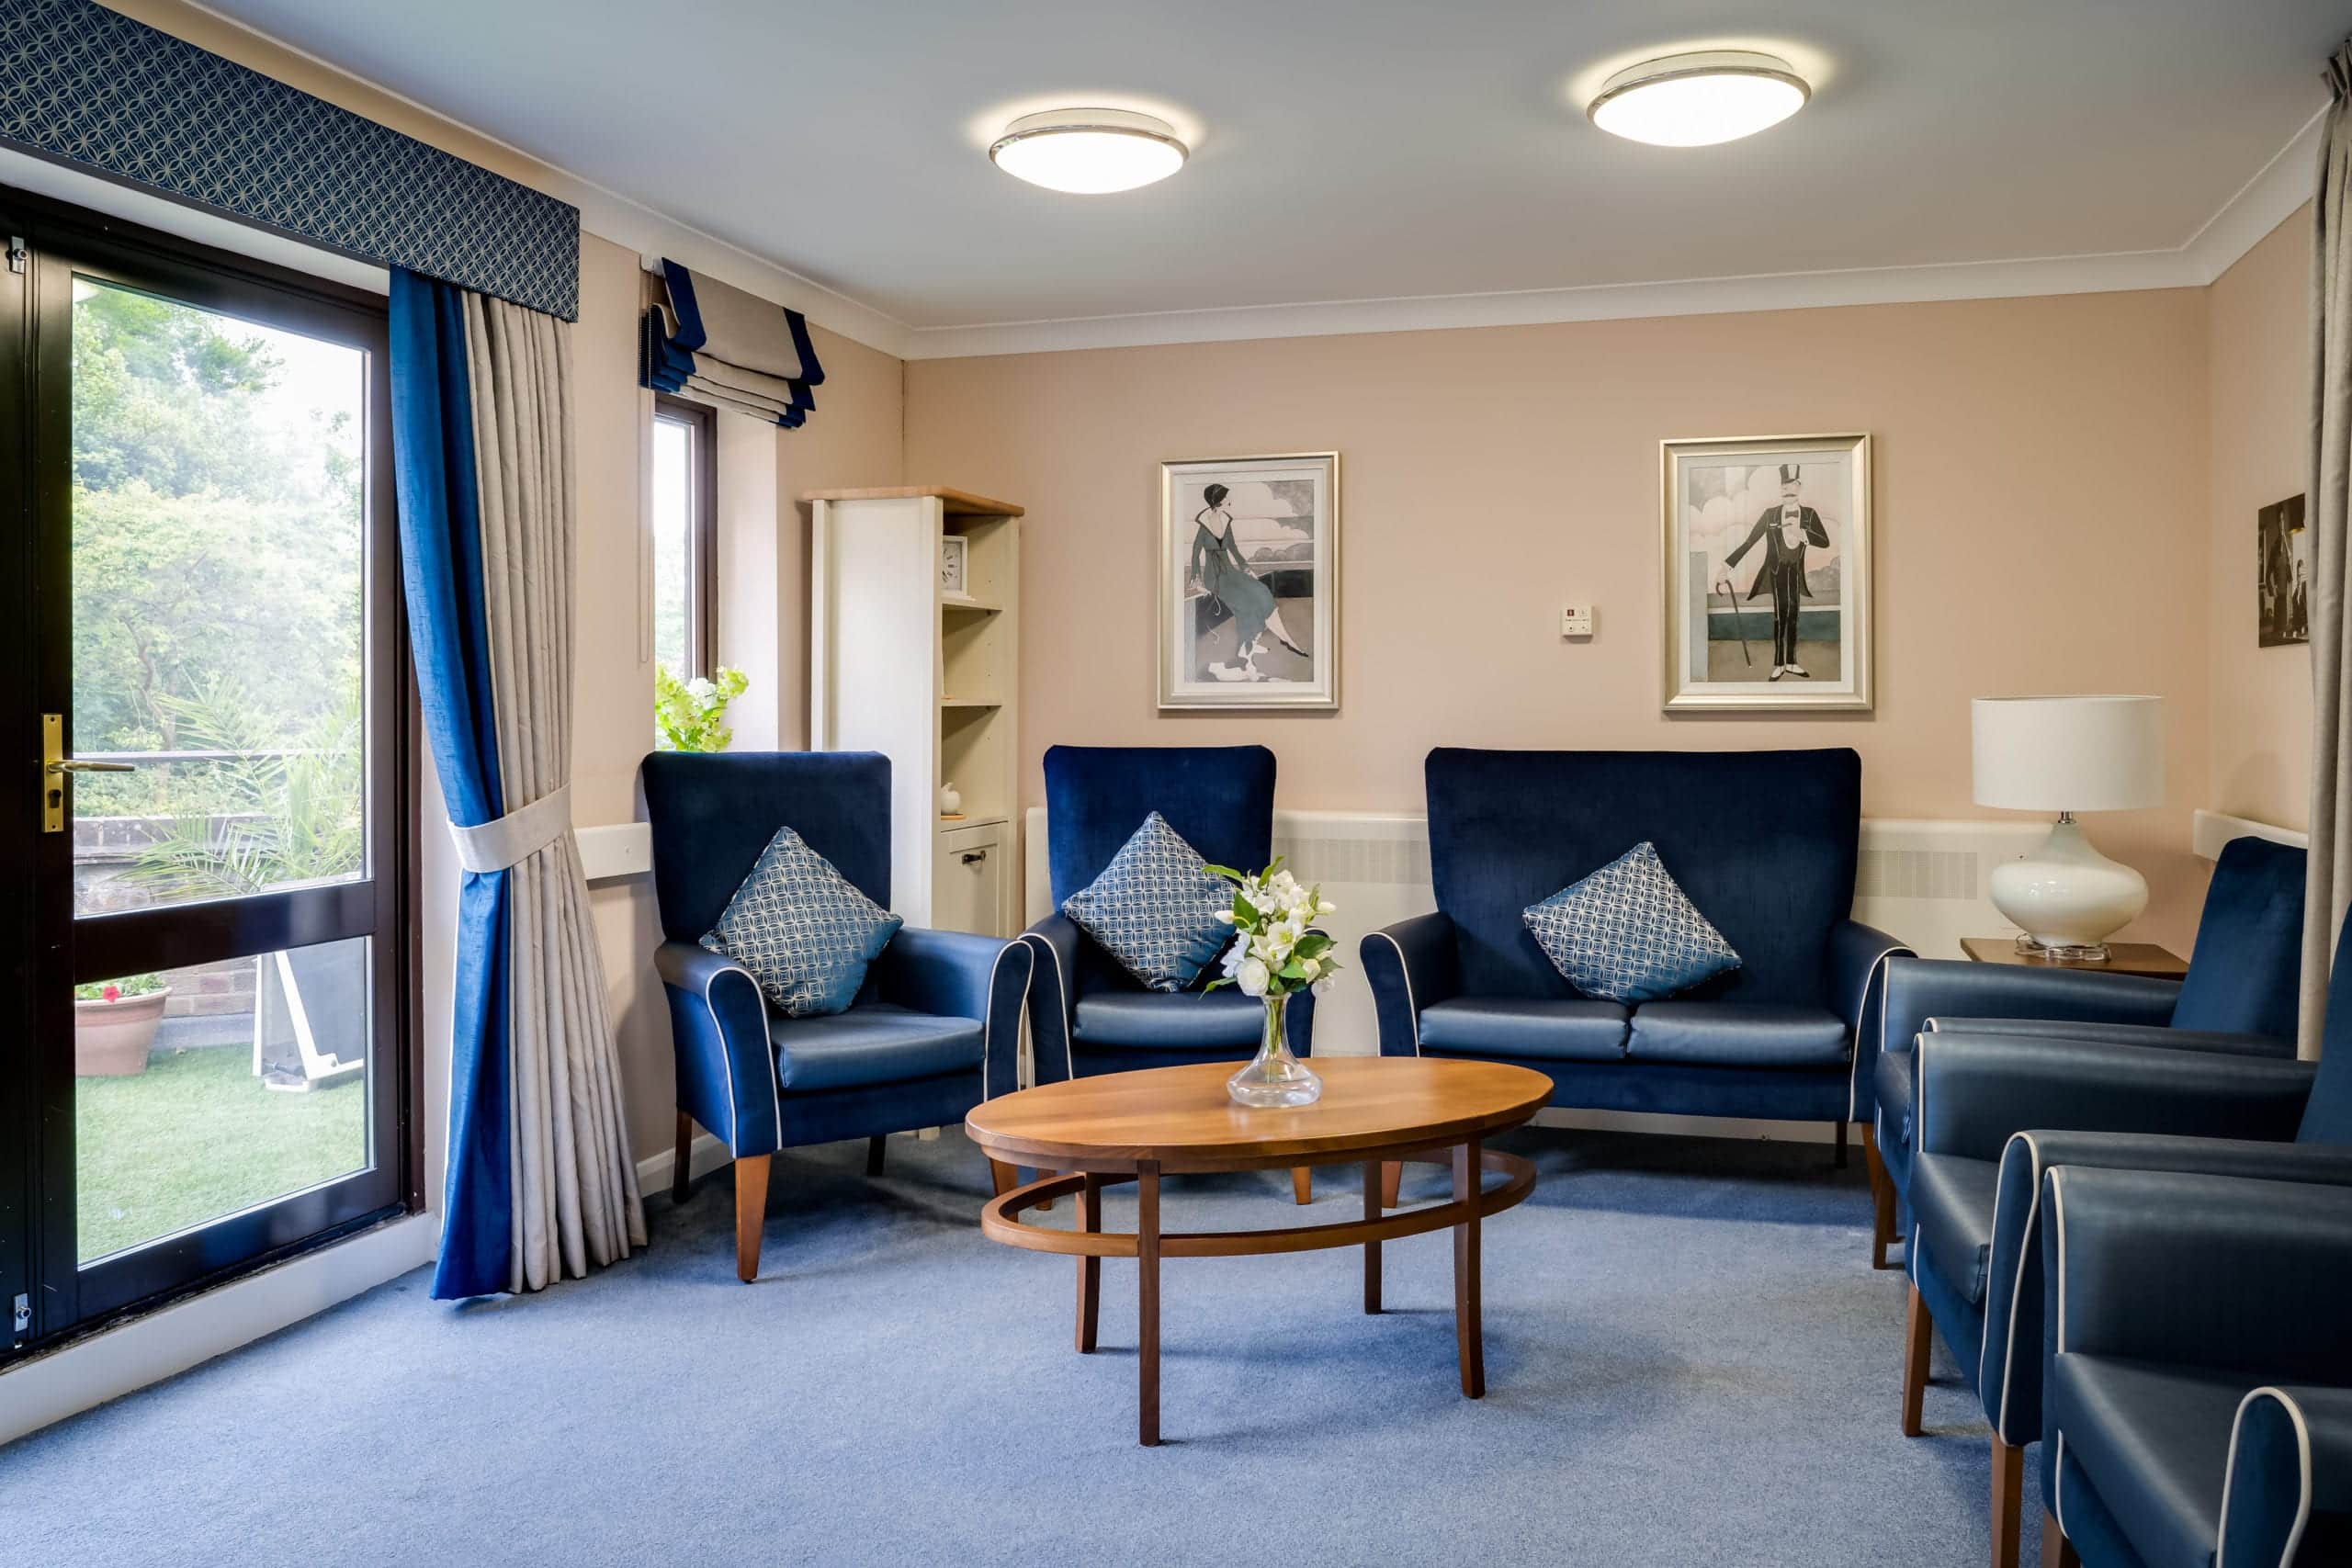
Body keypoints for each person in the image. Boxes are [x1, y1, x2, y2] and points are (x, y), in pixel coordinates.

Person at [1722, 464, 1831, 680]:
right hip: (1777, 571)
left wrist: (1802, 533)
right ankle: (1779, 664)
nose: (1788, 490)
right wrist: (1725, 568)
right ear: (1780, 489)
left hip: (1795, 571)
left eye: (1792, 486)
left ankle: (1791, 662)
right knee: (1781, 615)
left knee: (1794, 614)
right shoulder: (1770, 514)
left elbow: (1824, 541)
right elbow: (1749, 542)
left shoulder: (1809, 514)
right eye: (1784, 487)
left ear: (1799, 487)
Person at [1187, 482, 1306, 679]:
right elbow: (1195, 552)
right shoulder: (1204, 524)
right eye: (1225, 497)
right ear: (1218, 500)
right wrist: (1196, 578)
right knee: (1245, 604)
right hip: (1214, 576)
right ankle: (1246, 647)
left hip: (1231, 572)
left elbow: (1233, 548)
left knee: (1261, 591)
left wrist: (1246, 568)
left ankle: (1269, 639)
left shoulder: (1226, 520)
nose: (1229, 500)